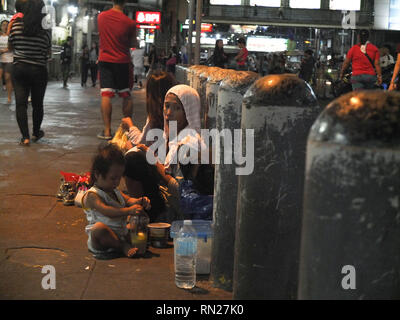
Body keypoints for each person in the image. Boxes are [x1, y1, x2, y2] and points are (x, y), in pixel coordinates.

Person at [81, 143, 151, 259]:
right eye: (113, 178)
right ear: (98, 174)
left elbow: (129, 200)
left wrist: (139, 201)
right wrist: (128, 210)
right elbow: (107, 211)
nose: (117, 182)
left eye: (119, 178)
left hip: (120, 232)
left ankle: (125, 242)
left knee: (136, 225)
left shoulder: (115, 190)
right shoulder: (92, 195)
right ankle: (123, 246)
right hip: (101, 240)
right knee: (98, 229)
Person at [9, 0, 51, 146]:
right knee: (37, 104)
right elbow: (48, 51)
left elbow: (11, 46)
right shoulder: (44, 30)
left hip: (20, 68)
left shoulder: (15, 26)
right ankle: (36, 132)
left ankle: (25, 137)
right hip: (39, 70)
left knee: (21, 104)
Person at [97, 0, 136, 140]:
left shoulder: (101, 17)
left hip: (105, 60)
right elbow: (133, 43)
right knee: (126, 94)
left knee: (106, 95)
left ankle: (107, 131)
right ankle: (127, 131)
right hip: (122, 61)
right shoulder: (130, 23)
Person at [121, 70, 178, 148]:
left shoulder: (155, 117)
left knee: (129, 145)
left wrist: (130, 126)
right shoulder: (179, 112)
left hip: (159, 157)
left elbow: (140, 143)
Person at [0, 20, 13, 103]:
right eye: (3, 25)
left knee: (7, 78)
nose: (5, 26)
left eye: (6, 25)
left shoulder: (11, 36)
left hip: (9, 60)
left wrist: (4, 50)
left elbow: (13, 47)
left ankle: (9, 97)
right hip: (0, 59)